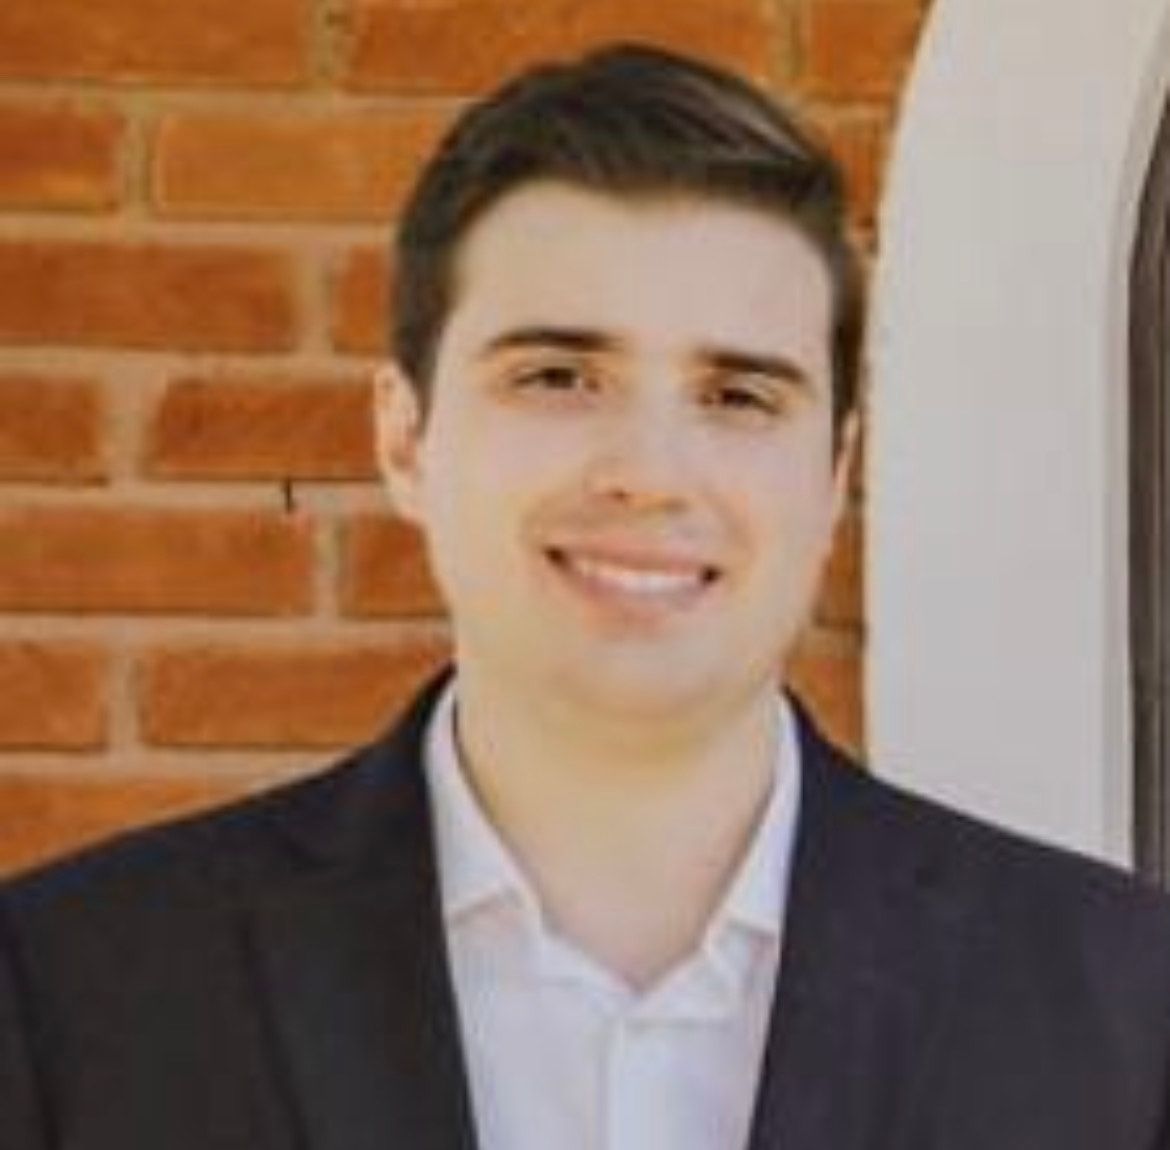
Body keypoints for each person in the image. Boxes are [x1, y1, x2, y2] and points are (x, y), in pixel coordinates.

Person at [2, 42, 1169, 1150]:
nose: (650, 472)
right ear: (404, 437)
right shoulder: (74, 990)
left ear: (834, 473)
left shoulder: (1123, 1008)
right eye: (559, 376)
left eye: (738, 396)